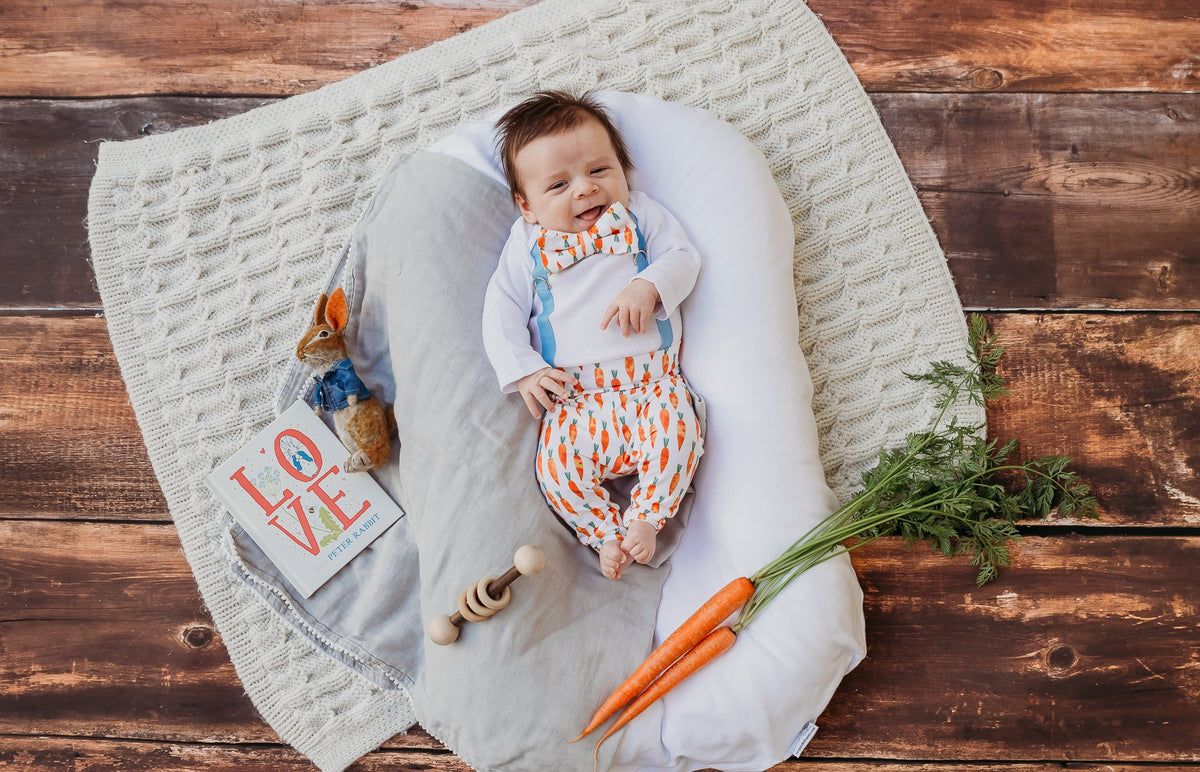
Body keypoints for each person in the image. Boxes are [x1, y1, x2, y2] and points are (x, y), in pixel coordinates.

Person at [483, 91, 704, 580]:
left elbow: (684, 258)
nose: (584, 190)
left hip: (653, 385)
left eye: (600, 171)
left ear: (624, 171)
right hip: (577, 398)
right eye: (559, 184)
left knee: (680, 433)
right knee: (556, 471)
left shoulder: (642, 216)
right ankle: (604, 534)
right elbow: (501, 309)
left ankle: (647, 517)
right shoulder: (526, 245)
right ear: (528, 205)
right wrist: (524, 371)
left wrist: (649, 284)